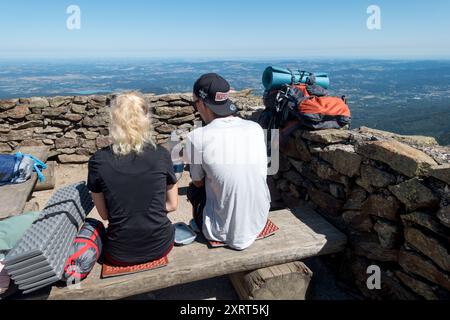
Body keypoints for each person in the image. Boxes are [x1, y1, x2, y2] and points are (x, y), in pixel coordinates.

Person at [87, 92, 178, 266]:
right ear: (146, 118)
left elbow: (105, 215)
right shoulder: (161, 155)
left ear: (114, 120)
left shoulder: (98, 161)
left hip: (118, 253)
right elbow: (173, 205)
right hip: (161, 246)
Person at [184, 73, 271, 250]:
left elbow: (198, 182)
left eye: (195, 103)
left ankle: (202, 224)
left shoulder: (197, 138)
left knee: (194, 189)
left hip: (220, 231)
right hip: (259, 220)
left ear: (201, 103)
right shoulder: (254, 128)